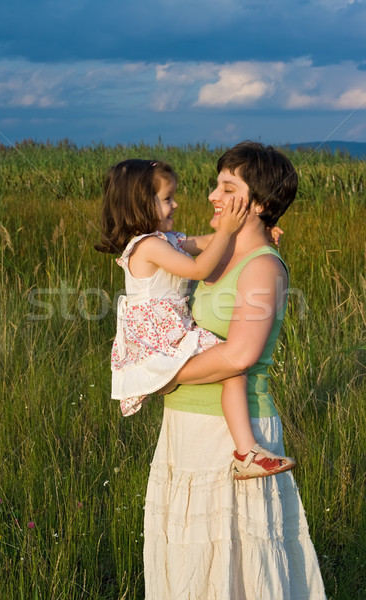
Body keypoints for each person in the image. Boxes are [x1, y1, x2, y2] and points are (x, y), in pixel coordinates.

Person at [143, 142, 327, 599]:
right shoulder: (218, 256)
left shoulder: (262, 267)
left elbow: (241, 354)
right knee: (192, 563)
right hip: (188, 426)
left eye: (228, 187)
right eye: (216, 183)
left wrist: (158, 373)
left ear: (258, 204)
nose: (211, 195)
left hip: (230, 433)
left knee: (236, 566)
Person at [97, 158, 295, 479]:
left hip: (173, 331)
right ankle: (246, 452)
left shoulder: (167, 240)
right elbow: (200, 268)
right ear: (140, 205)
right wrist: (230, 229)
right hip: (159, 334)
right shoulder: (147, 245)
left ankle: (246, 452)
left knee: (232, 370)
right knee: (231, 371)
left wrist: (254, 235)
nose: (176, 204)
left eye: (226, 188)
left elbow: (207, 243)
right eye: (166, 199)